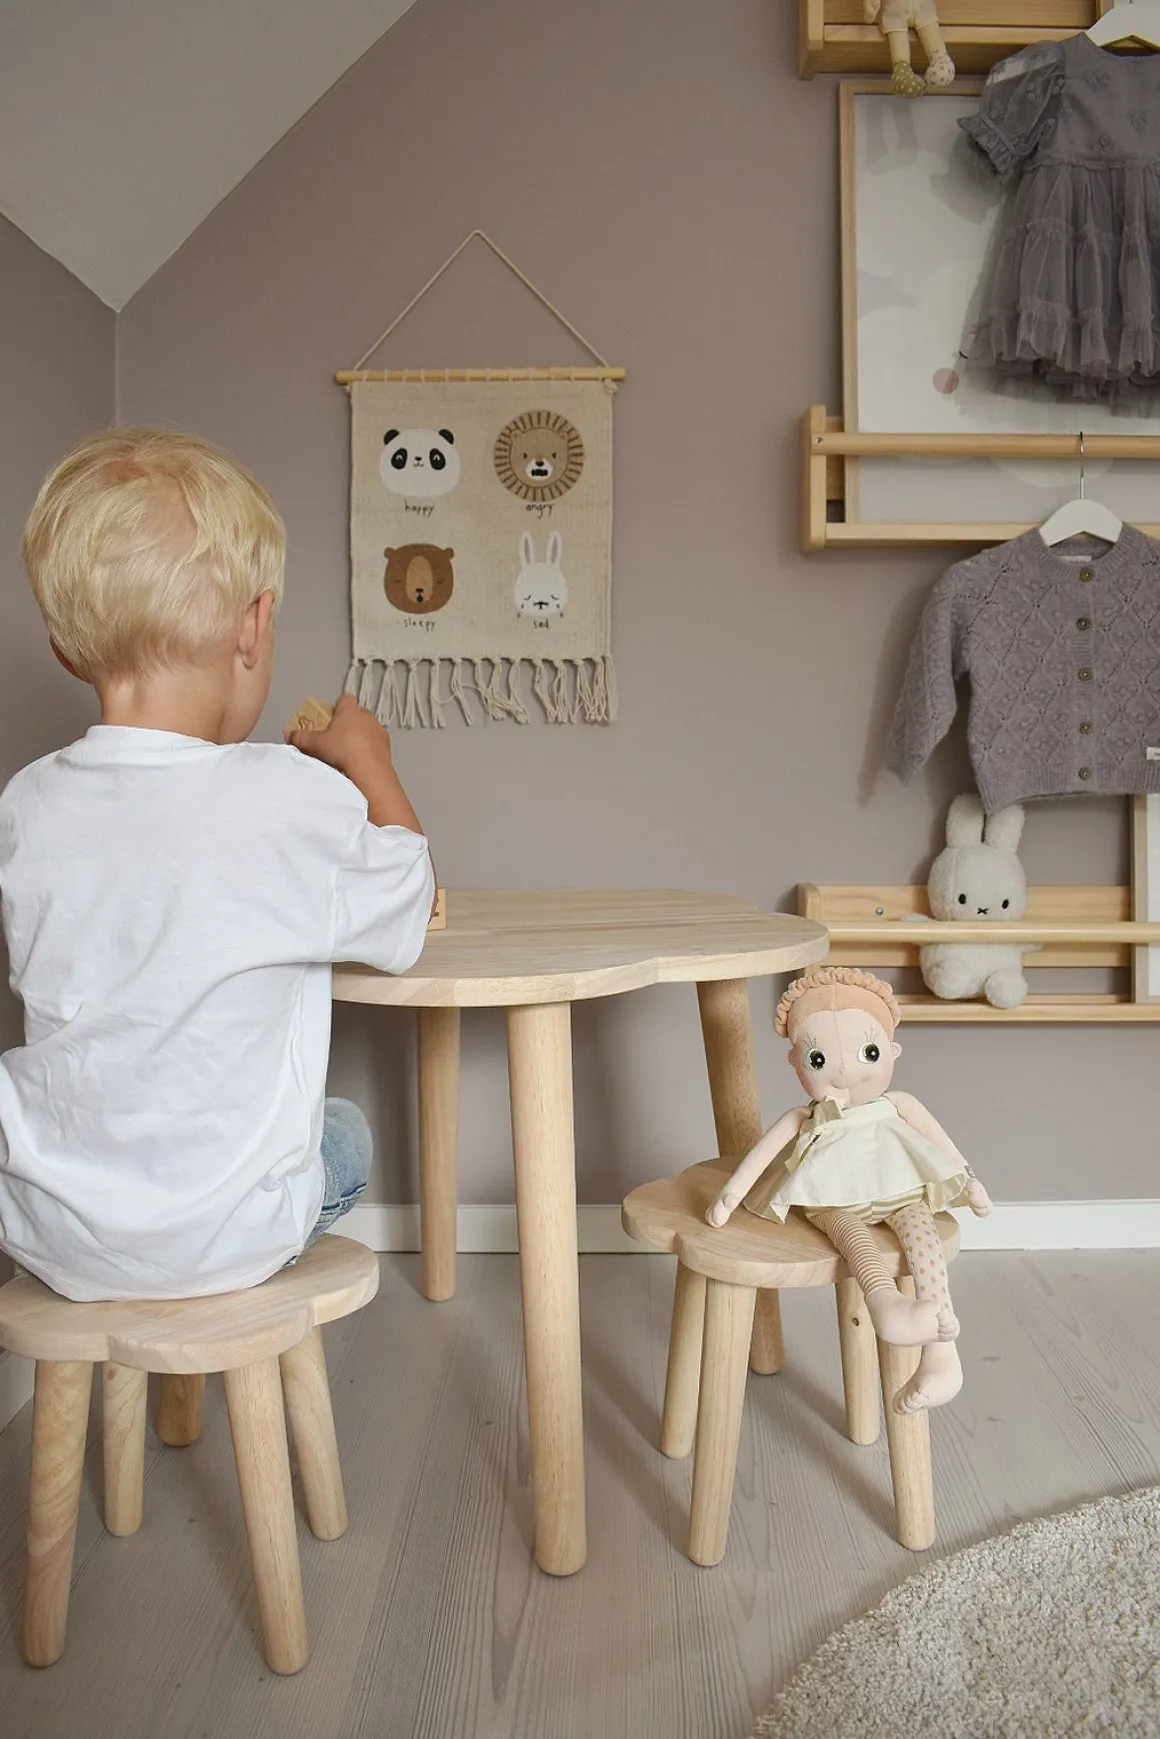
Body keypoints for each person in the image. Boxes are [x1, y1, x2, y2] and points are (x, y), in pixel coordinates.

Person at [0, 428, 434, 1302]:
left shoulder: (26, 802)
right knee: (343, 1132)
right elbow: (409, 906)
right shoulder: (291, 794)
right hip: (225, 1237)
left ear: (65, 648)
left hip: (47, 1230)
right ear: (253, 624)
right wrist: (369, 760)